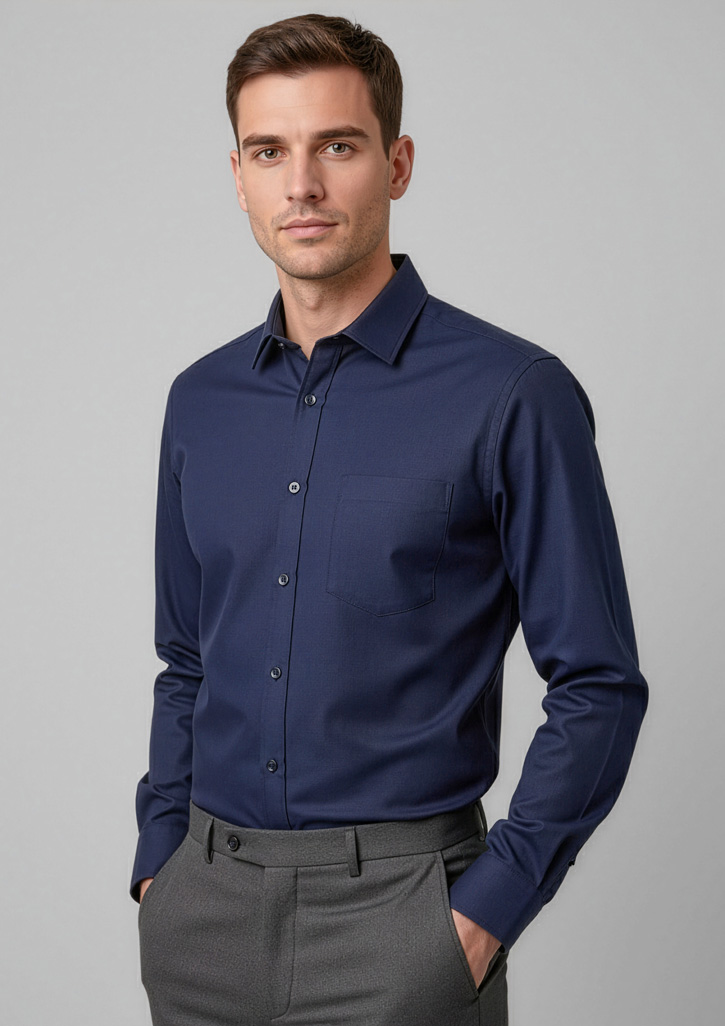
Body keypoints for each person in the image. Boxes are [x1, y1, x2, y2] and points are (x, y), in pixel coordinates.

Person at [130, 12, 649, 1026]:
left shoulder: (512, 395)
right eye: (268, 151)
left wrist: (483, 915)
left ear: (396, 163)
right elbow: (185, 659)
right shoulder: (199, 402)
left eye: (337, 146)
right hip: (203, 914)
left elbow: (598, 683)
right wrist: (161, 862)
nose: (301, 185)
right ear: (237, 175)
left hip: (405, 925)